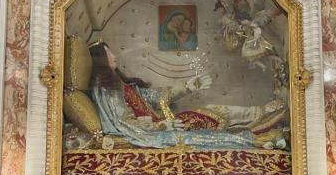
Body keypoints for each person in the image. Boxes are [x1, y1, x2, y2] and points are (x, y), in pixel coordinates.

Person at [87, 42, 283, 149]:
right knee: (213, 115)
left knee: (212, 113)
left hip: (165, 123)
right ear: (100, 59)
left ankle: (259, 117)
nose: (114, 56)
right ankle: (257, 127)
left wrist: (187, 87)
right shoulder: (106, 88)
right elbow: (123, 122)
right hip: (158, 130)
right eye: (108, 53)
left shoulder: (120, 85)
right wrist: (160, 126)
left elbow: (155, 96)